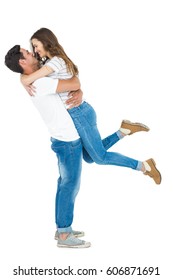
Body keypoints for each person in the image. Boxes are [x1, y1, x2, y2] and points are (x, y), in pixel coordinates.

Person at [20, 27, 161, 185]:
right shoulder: (53, 61)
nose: (35, 50)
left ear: (46, 43)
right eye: (32, 47)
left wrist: (22, 80)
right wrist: (22, 77)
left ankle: (144, 166)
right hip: (79, 113)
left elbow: (31, 77)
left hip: (79, 113)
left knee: (100, 158)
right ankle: (124, 131)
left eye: (36, 45)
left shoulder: (55, 62)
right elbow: (32, 72)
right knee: (89, 157)